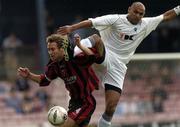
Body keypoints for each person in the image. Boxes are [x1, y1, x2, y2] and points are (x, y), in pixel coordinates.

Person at [57, 2, 180, 127]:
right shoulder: (116, 19)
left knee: (111, 108)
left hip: (119, 67)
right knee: (96, 38)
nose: (137, 15)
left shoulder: (146, 24)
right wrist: (72, 28)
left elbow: (166, 16)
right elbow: (91, 22)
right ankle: (71, 54)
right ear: (129, 9)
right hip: (106, 54)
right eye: (135, 12)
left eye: (141, 14)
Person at [17, 33, 105, 127]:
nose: (50, 52)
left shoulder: (76, 58)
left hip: (86, 102)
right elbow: (44, 80)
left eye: (53, 49)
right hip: (73, 103)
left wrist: (81, 45)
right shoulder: (54, 66)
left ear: (62, 49)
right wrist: (29, 75)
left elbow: (93, 56)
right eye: (48, 50)